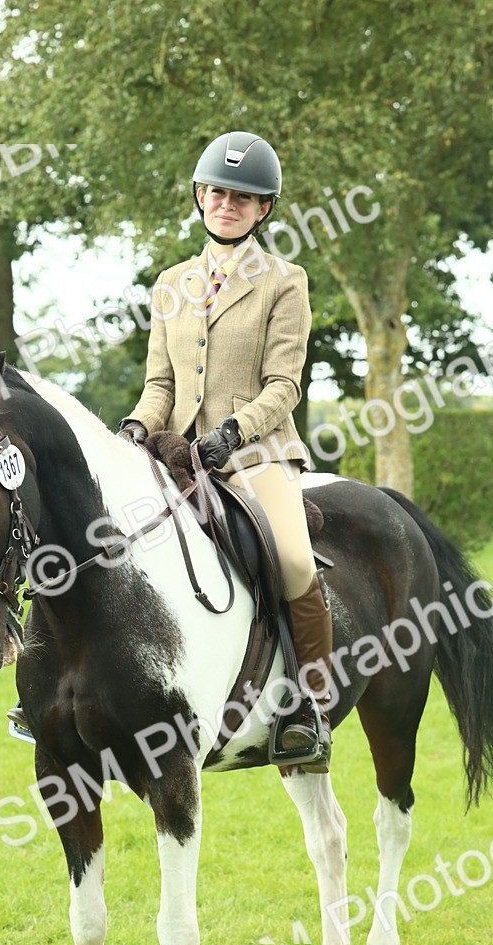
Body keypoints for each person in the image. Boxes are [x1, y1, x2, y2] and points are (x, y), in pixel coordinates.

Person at [118, 130, 333, 770]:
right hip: (175, 452)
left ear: (263, 208)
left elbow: (285, 385)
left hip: (256, 454)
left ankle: (308, 710)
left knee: (294, 561)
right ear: (199, 198)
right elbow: (160, 384)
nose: (226, 204)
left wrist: (234, 432)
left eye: (242, 197)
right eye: (216, 192)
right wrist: (133, 428)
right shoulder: (170, 284)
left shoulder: (284, 281)